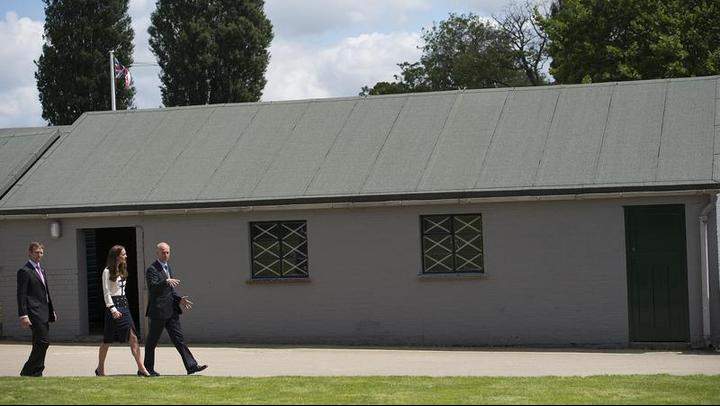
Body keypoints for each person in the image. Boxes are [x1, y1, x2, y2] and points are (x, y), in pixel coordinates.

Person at [143, 242, 207, 376]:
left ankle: (191, 366)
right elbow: (153, 288)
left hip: (171, 311)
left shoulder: (168, 268)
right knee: (152, 342)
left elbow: (170, 292)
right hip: (158, 311)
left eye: (167, 252)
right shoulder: (152, 269)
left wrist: (180, 300)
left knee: (179, 339)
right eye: (163, 252)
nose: (165, 255)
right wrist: (165, 281)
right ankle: (146, 369)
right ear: (157, 253)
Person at [95, 245, 150, 377]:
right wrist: (112, 309)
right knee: (107, 340)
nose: (126, 256)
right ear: (117, 256)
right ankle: (100, 368)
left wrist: (122, 307)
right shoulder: (107, 271)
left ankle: (141, 368)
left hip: (124, 306)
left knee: (133, 337)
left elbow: (122, 291)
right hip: (113, 307)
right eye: (123, 254)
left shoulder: (122, 269)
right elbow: (106, 292)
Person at [17, 242, 56, 377]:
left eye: (41, 252)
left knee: (39, 342)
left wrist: (52, 311)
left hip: (44, 311)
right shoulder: (24, 271)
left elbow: (46, 293)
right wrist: (23, 315)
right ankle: (28, 370)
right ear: (30, 253)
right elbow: (21, 295)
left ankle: (36, 372)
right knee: (44, 341)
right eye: (36, 252)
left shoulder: (42, 270)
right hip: (33, 312)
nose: (39, 255)